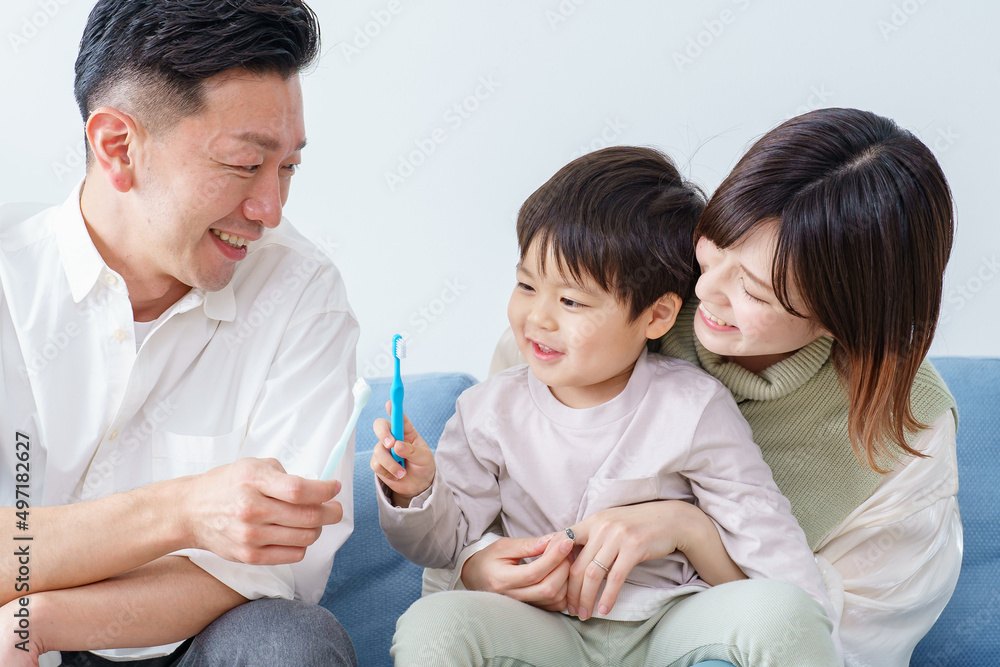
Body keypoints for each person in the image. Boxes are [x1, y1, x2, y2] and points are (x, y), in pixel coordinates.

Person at [476, 108, 958, 666]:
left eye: (754, 292)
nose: (704, 289)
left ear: (846, 318)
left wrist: (691, 530)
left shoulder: (905, 435)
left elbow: (825, 646)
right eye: (715, 245)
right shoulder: (624, 300)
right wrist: (482, 560)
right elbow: (479, 496)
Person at [371, 147, 840, 666]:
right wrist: (417, 492)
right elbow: (445, 545)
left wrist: (791, 610)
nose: (538, 318)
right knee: (432, 625)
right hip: (544, 629)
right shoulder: (488, 409)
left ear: (658, 315)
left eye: (572, 301)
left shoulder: (694, 405)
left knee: (785, 611)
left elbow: (775, 558)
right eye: (526, 285)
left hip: (669, 624)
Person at [0, 1, 359, 665]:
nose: (270, 210)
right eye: (245, 164)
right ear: (119, 147)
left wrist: (44, 615)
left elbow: (278, 567)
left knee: (289, 641)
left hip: (196, 639)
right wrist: (186, 509)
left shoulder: (303, 293)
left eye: (288, 168)